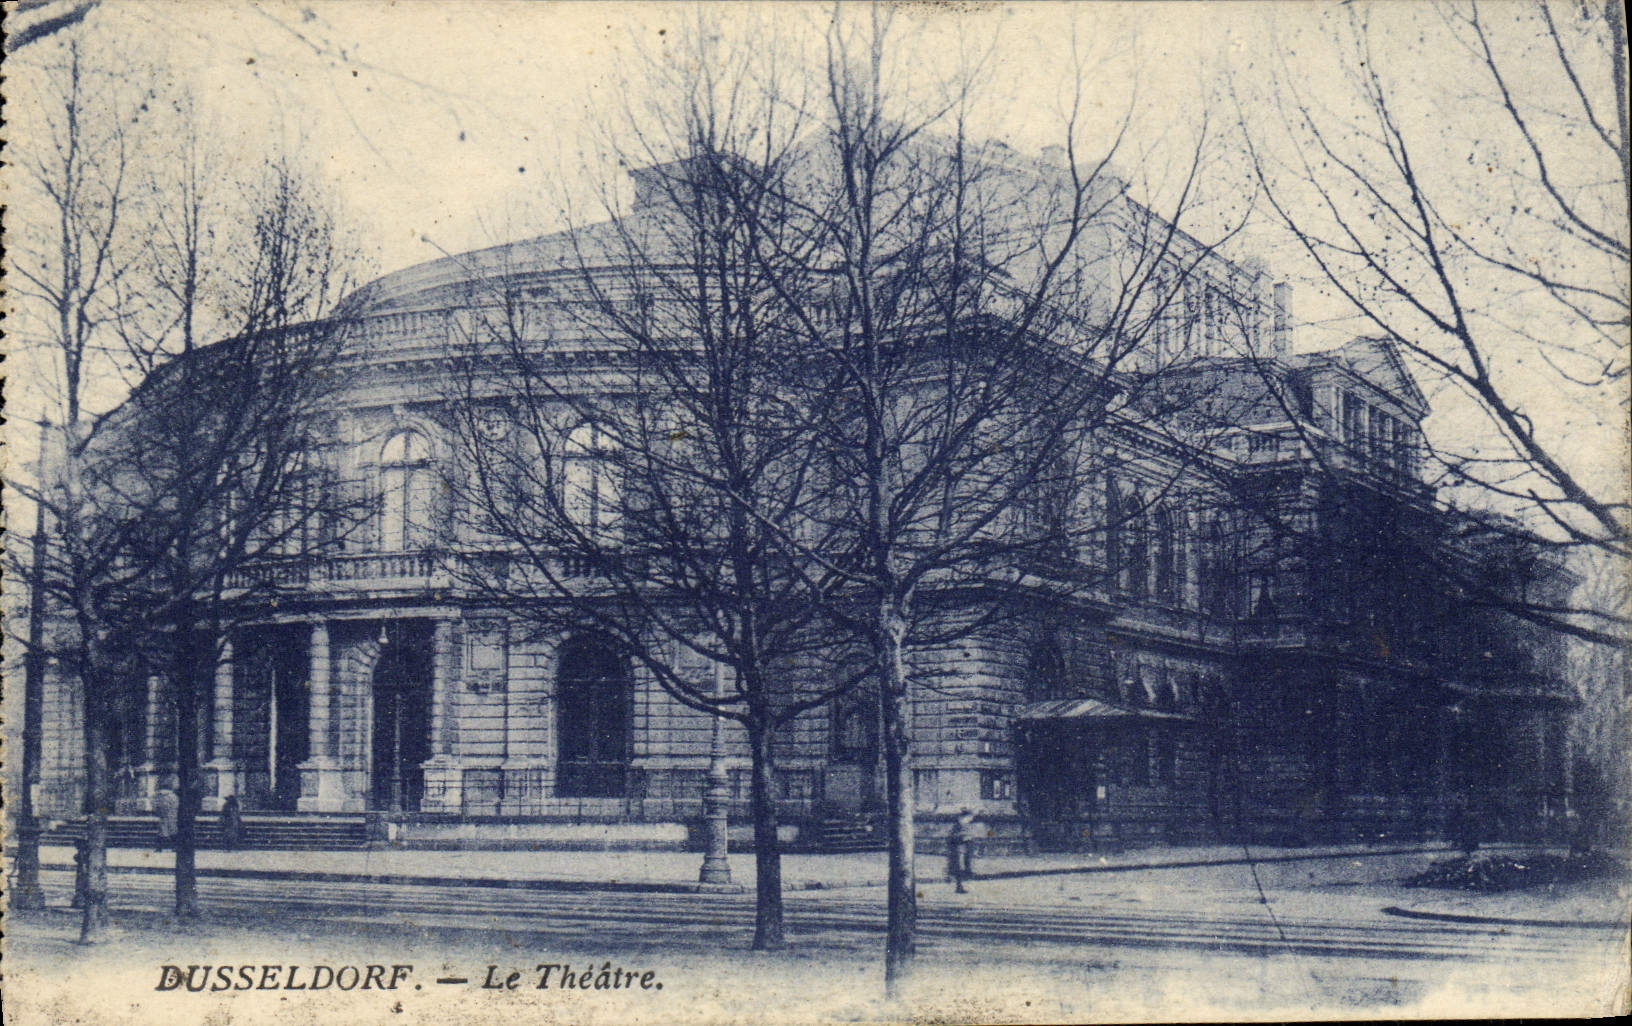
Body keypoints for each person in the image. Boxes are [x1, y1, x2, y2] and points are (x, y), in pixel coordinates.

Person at [946, 808, 977, 893]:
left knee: (961, 868)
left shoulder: (963, 825)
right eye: (970, 817)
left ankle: (959, 886)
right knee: (959, 868)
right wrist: (965, 838)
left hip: (963, 849)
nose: (971, 819)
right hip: (959, 849)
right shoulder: (959, 825)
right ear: (965, 817)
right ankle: (959, 886)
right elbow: (953, 836)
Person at [154, 787, 180, 852]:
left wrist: (159, 813)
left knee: (162, 833)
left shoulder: (160, 797)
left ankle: (159, 848)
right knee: (172, 832)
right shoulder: (174, 796)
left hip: (164, 817)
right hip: (172, 816)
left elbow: (158, 807)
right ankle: (174, 847)